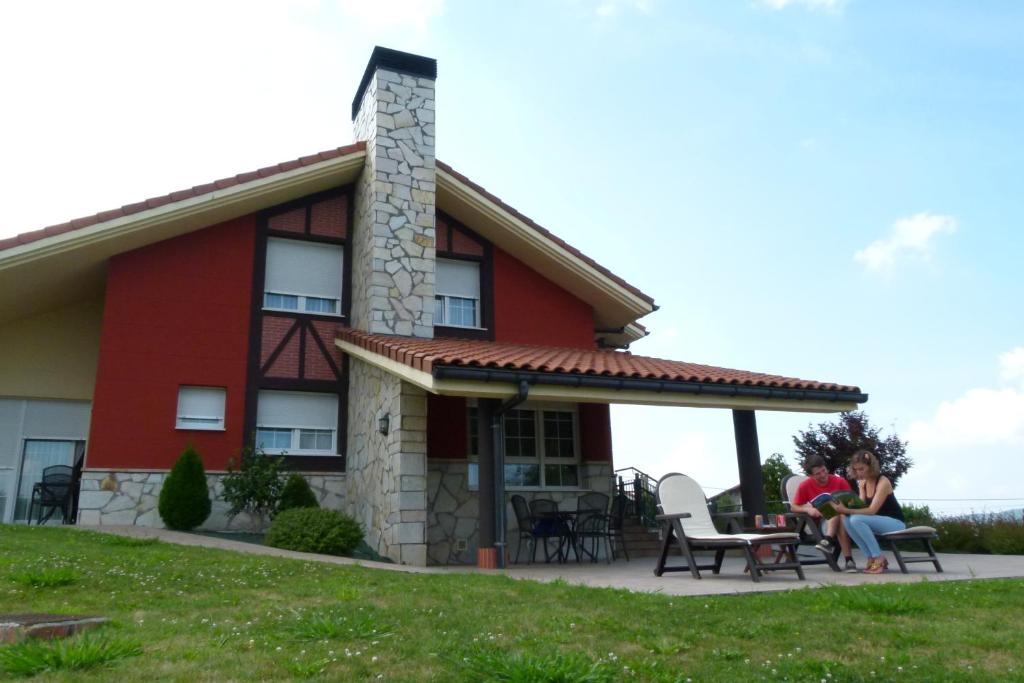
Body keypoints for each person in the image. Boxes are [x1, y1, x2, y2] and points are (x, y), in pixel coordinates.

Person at [831, 449, 906, 574]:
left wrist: (846, 509)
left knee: (856, 519)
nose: (859, 473)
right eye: (856, 470)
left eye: (862, 469)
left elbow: (872, 510)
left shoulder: (883, 482)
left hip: (895, 523)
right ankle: (871, 557)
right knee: (846, 519)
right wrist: (844, 506)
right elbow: (860, 507)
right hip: (875, 521)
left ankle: (879, 557)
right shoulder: (863, 483)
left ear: (871, 467)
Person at [790, 455, 857, 572]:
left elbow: (852, 502)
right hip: (820, 524)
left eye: (824, 470)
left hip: (844, 520)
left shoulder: (839, 481)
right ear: (810, 476)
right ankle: (848, 560)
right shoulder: (805, 486)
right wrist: (808, 509)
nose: (823, 475)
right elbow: (794, 507)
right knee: (834, 511)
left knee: (840, 514)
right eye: (818, 474)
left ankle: (827, 541)